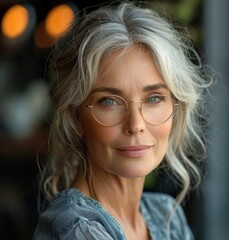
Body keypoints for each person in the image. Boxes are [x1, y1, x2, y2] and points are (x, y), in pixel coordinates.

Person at [33, 1, 208, 239]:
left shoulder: (165, 216)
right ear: (75, 117)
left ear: (176, 109)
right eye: (109, 101)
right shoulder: (77, 230)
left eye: (154, 98)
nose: (136, 125)